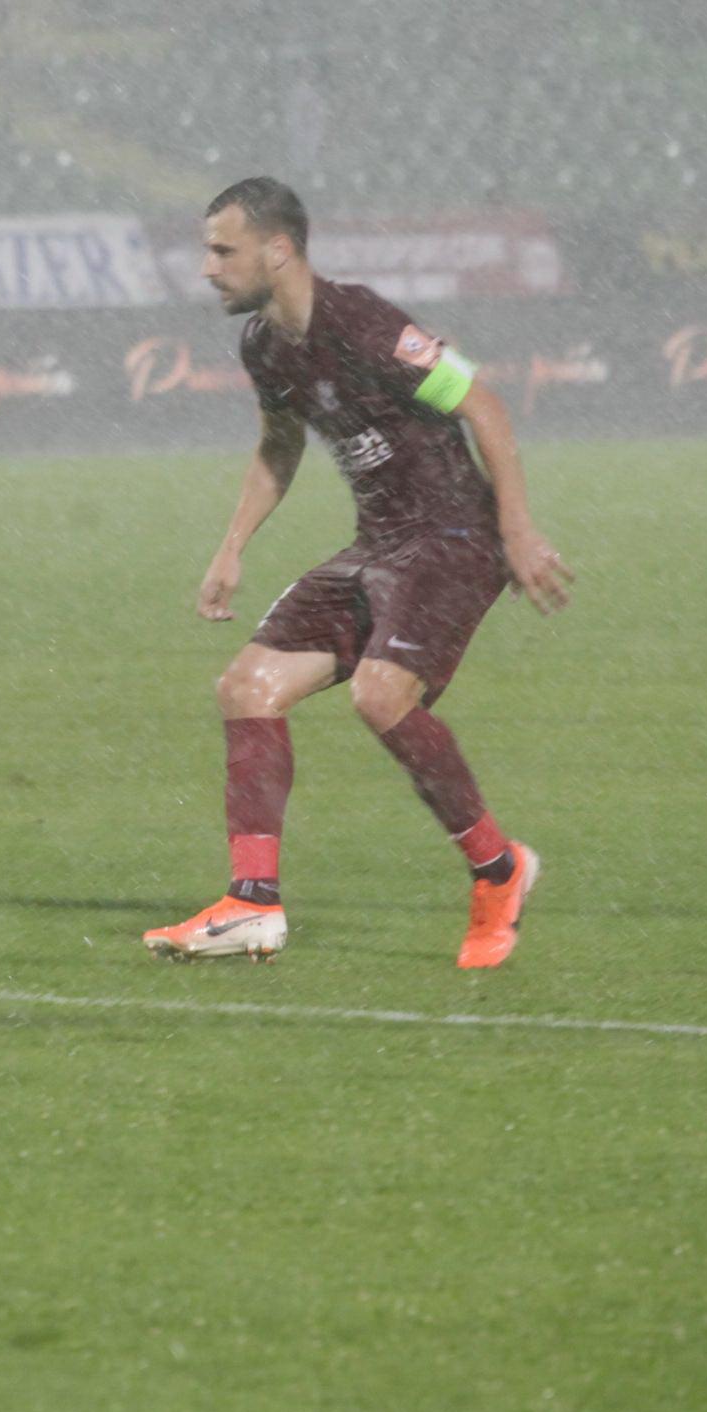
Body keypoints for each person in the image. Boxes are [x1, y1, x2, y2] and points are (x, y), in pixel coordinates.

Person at [146, 178, 574, 969]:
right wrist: (231, 545)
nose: (207, 268)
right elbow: (280, 446)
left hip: (452, 537)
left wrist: (515, 529)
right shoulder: (265, 346)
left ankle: (500, 870)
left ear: (278, 250)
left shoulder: (366, 322)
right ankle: (252, 905)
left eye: (222, 249)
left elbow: (483, 405)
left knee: (381, 697)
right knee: (247, 688)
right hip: (379, 543)